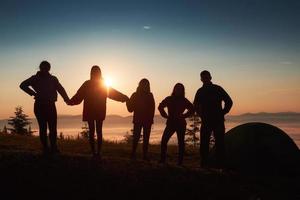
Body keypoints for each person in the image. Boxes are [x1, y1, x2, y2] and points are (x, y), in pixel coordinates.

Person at [68, 65, 128, 159]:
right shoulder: (99, 84)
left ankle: (95, 153)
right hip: (97, 111)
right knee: (97, 131)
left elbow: (78, 96)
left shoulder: (90, 84)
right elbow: (113, 93)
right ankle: (97, 153)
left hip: (93, 111)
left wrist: (70, 101)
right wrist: (124, 97)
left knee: (94, 131)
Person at [20, 61, 70, 155]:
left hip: (49, 105)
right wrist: (33, 93)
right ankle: (46, 149)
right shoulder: (35, 78)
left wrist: (66, 99)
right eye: (44, 67)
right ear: (40, 68)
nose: (45, 69)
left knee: (52, 128)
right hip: (40, 105)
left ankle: (53, 148)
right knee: (44, 128)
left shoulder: (52, 79)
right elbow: (22, 85)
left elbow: (60, 89)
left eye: (46, 67)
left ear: (49, 68)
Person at [193, 70, 233, 168]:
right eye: (203, 77)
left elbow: (229, 101)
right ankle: (205, 164)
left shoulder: (217, 88)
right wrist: (201, 115)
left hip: (217, 120)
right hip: (207, 120)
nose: (205, 79)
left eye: (207, 77)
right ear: (201, 79)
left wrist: (223, 112)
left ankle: (220, 164)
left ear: (210, 77)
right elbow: (196, 105)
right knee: (205, 143)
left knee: (219, 143)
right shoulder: (200, 91)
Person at [158, 83, 194, 165]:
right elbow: (160, 107)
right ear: (174, 89)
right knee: (164, 141)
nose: (178, 91)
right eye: (177, 89)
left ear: (182, 91)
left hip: (180, 124)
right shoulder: (169, 99)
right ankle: (162, 159)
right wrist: (165, 115)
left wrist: (184, 115)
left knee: (180, 142)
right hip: (171, 123)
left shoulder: (184, 100)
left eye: (180, 89)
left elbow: (192, 109)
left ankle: (180, 162)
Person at [126, 79, 155, 161]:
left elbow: (152, 108)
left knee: (145, 139)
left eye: (147, 85)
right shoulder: (135, 95)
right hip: (139, 120)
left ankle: (143, 156)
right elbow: (130, 109)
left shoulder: (149, 95)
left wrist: (151, 120)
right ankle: (134, 154)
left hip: (146, 121)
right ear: (140, 85)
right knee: (136, 138)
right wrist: (127, 101)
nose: (145, 86)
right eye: (144, 84)